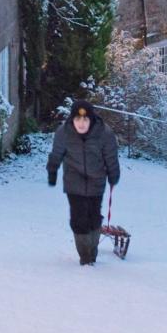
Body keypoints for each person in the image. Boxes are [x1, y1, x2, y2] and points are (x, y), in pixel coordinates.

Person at [47, 102, 120, 265]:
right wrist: (52, 171)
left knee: (93, 217)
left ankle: (92, 249)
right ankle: (85, 256)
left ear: (92, 120)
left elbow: (111, 156)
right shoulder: (64, 132)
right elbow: (56, 153)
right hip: (74, 181)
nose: (81, 123)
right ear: (72, 119)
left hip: (96, 181)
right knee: (79, 218)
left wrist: (113, 175)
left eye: (85, 119)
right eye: (78, 119)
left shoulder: (104, 133)